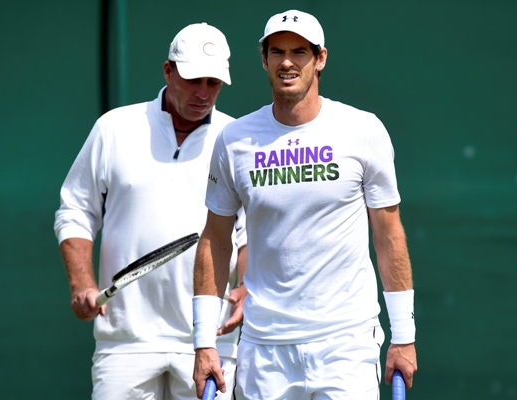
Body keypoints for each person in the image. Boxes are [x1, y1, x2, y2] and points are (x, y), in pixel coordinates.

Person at [192, 9, 417, 400]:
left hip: (345, 343)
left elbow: (388, 236)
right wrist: (203, 341)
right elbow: (215, 239)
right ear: (264, 60)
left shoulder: (363, 130)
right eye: (276, 51)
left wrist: (404, 336)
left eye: (299, 51)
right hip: (265, 349)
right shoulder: (234, 140)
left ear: (321, 58)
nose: (287, 62)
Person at [54, 22, 247, 400]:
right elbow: (76, 209)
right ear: (168, 70)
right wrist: (82, 283)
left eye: (213, 83)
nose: (204, 93)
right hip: (125, 342)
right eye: (193, 80)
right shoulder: (113, 128)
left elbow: (249, 232)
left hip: (210, 340)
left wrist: (245, 284)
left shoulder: (236, 139)